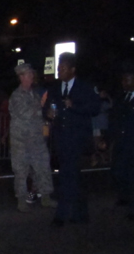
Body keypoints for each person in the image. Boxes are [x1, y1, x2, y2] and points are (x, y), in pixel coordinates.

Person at [45, 53, 101, 225]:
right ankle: (80, 213)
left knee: (69, 176)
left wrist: (74, 106)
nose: (59, 71)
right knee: (70, 176)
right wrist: (48, 113)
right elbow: (47, 108)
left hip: (77, 139)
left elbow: (94, 108)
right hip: (61, 139)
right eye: (58, 68)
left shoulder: (84, 87)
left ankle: (62, 215)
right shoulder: (55, 89)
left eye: (62, 68)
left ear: (72, 70)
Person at [8, 63, 57, 213]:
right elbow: (25, 113)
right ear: (21, 77)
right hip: (21, 140)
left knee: (43, 167)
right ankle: (22, 200)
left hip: (36, 138)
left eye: (31, 74)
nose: (32, 77)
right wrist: (42, 112)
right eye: (28, 74)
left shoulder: (34, 94)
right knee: (21, 171)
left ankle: (46, 197)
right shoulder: (17, 95)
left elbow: (37, 116)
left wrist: (46, 119)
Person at [108, 62, 134, 219]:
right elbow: (115, 118)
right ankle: (124, 196)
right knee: (119, 171)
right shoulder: (123, 97)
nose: (124, 83)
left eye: (128, 80)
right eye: (123, 80)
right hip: (122, 141)